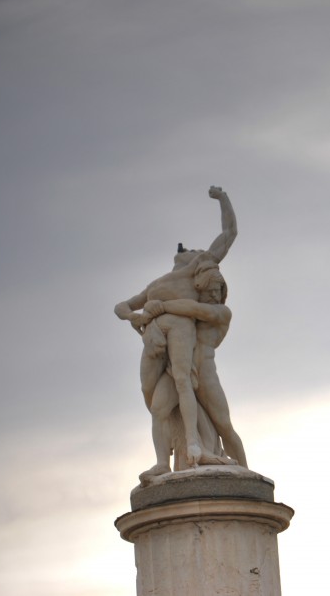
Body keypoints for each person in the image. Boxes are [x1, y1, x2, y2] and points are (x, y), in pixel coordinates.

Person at [113, 186, 239, 472]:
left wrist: (223, 198)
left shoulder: (195, 269)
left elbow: (229, 234)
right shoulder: (156, 285)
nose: (190, 250)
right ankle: (162, 462)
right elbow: (122, 306)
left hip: (180, 334)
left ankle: (195, 443)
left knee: (183, 383)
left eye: (195, 250)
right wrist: (135, 318)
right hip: (154, 339)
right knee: (154, 401)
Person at [138, 263, 247, 482]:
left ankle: (245, 471)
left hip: (205, 374)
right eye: (209, 290)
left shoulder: (221, 312)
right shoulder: (184, 314)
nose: (214, 294)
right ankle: (162, 463)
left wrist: (159, 306)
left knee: (224, 426)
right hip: (180, 371)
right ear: (199, 289)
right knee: (159, 409)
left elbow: (195, 309)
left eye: (218, 289)